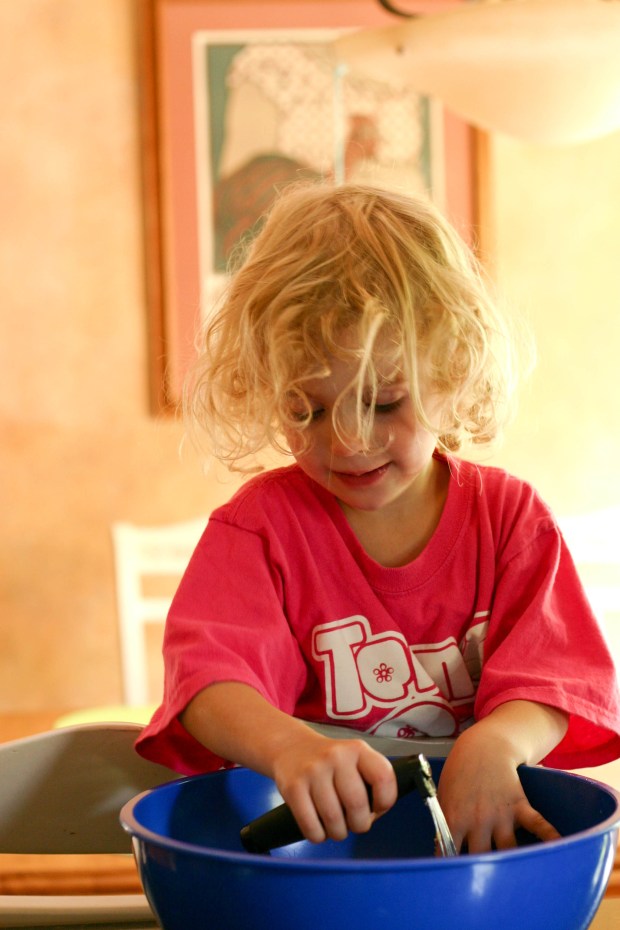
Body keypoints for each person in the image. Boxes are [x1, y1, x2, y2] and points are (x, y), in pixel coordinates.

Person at [136, 182, 620, 854]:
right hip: (320, 863)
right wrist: (289, 747)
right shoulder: (259, 530)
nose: (349, 442)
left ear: (451, 372)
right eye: (307, 410)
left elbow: (558, 681)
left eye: (384, 403)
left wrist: (499, 740)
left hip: (474, 857)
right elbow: (209, 685)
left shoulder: (509, 519)